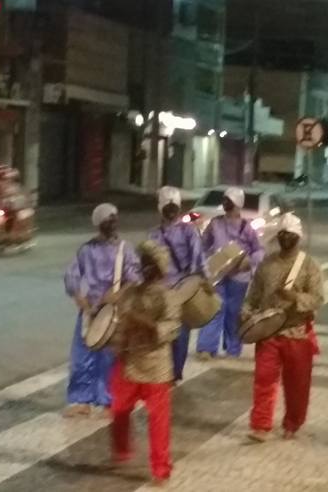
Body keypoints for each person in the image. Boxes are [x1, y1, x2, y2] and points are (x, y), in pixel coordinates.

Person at [242, 213, 324, 442]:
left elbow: (317, 298)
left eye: (290, 234)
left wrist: (295, 298)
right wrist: (246, 312)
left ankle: (292, 423)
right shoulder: (267, 264)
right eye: (282, 234)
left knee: (297, 384)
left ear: (298, 237)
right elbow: (253, 295)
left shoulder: (309, 265)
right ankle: (260, 426)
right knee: (264, 379)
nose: (285, 238)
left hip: (297, 332)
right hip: (268, 332)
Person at [110, 241, 181, 487]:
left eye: (149, 263)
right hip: (128, 361)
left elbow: (171, 329)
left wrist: (140, 320)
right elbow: (120, 325)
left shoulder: (169, 296)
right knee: (118, 409)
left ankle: (160, 469)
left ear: (159, 269)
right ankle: (121, 451)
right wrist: (117, 347)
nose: (144, 267)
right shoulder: (131, 292)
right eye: (143, 262)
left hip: (156, 367)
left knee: (158, 421)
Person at [63, 203, 140, 417]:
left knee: (111, 359)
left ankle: (109, 401)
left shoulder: (125, 249)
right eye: (108, 220)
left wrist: (119, 294)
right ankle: (81, 400)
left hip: (114, 311)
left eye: (114, 219)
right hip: (91, 311)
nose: (112, 223)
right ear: (99, 224)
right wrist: (80, 299)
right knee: (82, 357)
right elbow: (72, 276)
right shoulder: (87, 250)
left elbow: (135, 278)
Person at [149, 186, 211, 382]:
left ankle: (173, 374)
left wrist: (204, 281)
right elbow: (199, 259)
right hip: (168, 291)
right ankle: (169, 373)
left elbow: (198, 259)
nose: (171, 211)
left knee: (178, 334)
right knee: (170, 333)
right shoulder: (159, 234)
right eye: (169, 207)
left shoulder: (184, 232)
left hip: (178, 291)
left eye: (173, 207)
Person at [197, 187, 265, 360]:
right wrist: (207, 264)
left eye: (229, 200)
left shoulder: (246, 227)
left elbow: (259, 250)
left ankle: (233, 349)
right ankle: (206, 347)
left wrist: (249, 262)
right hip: (218, 276)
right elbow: (203, 245)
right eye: (225, 199)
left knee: (234, 313)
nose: (225, 203)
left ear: (237, 203)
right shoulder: (215, 223)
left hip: (239, 277)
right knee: (214, 309)